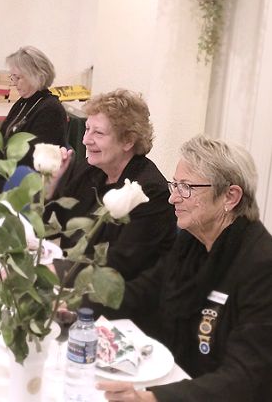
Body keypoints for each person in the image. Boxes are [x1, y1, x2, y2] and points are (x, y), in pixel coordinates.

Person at [98, 136, 272, 402]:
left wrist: (151, 398)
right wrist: (74, 300)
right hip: (179, 381)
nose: (172, 198)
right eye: (175, 185)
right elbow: (143, 291)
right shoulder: (192, 242)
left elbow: (245, 378)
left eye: (186, 188)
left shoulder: (261, 266)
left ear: (230, 196)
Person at [46, 89, 175, 283]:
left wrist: (49, 272)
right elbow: (51, 229)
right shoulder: (89, 170)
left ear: (128, 141)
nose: (85, 140)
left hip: (109, 292)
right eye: (87, 129)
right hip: (69, 279)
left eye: (98, 133)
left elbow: (119, 264)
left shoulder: (149, 192)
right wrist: (51, 184)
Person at [0, 45, 67, 189]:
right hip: (6, 171)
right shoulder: (23, 101)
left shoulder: (51, 110)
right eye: (12, 77)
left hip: (23, 183)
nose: (14, 82)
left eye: (18, 77)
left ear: (36, 76)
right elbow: (4, 137)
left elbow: (32, 158)